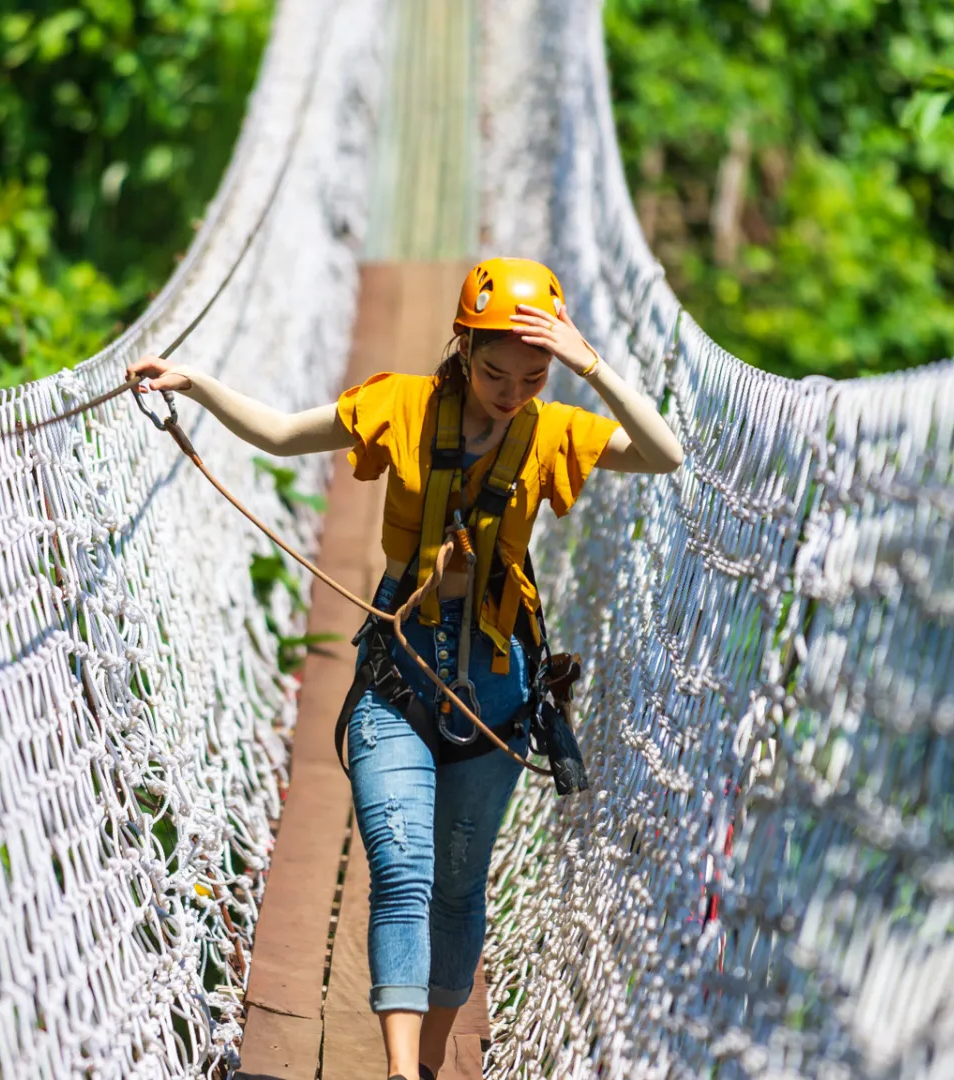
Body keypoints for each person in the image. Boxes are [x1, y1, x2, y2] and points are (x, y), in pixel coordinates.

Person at [126, 258, 683, 1080]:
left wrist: (589, 363)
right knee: (401, 863)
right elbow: (281, 434)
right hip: (399, 667)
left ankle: (426, 1067)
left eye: (534, 374)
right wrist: (195, 383)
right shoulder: (402, 408)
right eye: (496, 371)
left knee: (459, 887)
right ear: (462, 344)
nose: (513, 390)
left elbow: (665, 454)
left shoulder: (554, 427)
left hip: (497, 678)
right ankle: (398, 1073)